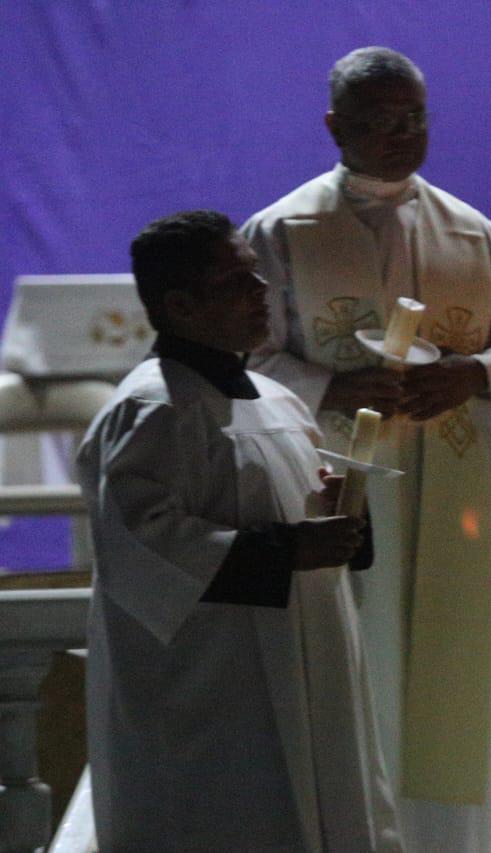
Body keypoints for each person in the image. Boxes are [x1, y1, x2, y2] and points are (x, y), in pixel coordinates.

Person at [240, 47, 491, 850]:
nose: (399, 135)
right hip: (338, 492)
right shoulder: (281, 234)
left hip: (455, 492)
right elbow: (246, 358)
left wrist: (472, 376)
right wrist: (334, 389)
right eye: (378, 120)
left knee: (465, 687)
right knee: (358, 669)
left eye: (413, 119)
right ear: (334, 125)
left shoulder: (470, 231)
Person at [77, 210, 401, 851]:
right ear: (179, 304)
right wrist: (287, 550)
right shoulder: (151, 407)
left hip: (310, 666)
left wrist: (341, 519)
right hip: (214, 689)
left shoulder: (276, 400)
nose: (261, 294)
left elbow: (301, 522)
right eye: (235, 282)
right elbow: (142, 545)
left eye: (257, 276)